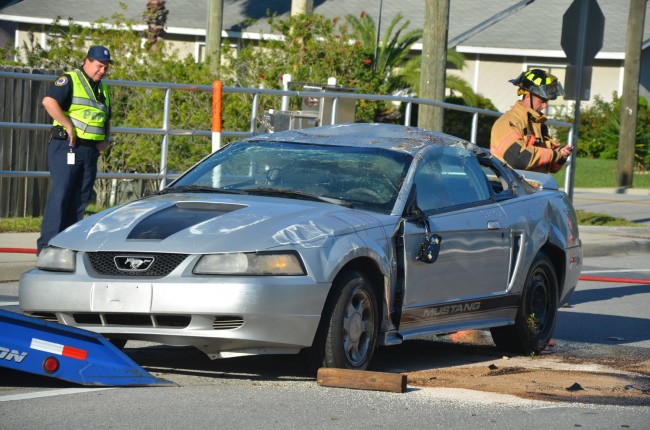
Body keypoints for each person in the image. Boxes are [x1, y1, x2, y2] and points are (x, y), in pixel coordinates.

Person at [37, 45, 113, 254]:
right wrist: (68, 125)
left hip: (90, 151)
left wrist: (106, 139)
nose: (102, 71)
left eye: (106, 67)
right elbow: (49, 102)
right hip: (67, 146)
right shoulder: (70, 79)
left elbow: (105, 116)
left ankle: (68, 246)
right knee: (61, 194)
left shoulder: (103, 88)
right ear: (87, 61)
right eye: (99, 66)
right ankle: (47, 247)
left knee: (80, 199)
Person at [490, 69, 572, 173]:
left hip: (536, 186)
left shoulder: (538, 124)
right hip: (514, 188)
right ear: (528, 96)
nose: (545, 106)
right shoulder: (508, 121)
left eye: (546, 101)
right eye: (541, 101)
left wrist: (561, 156)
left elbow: (550, 167)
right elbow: (518, 157)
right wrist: (553, 154)